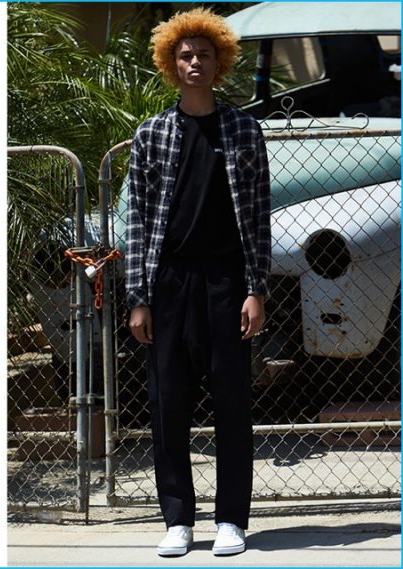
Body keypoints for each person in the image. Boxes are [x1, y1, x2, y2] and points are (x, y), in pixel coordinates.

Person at [125, 8, 271, 557]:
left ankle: (232, 519)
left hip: (228, 281)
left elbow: (258, 217)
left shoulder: (242, 130)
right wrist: (138, 297)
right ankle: (178, 519)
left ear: (219, 62)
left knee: (233, 401)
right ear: (171, 62)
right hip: (169, 282)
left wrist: (256, 288)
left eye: (203, 55)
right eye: (184, 55)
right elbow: (136, 221)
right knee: (168, 403)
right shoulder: (152, 134)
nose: (193, 62)